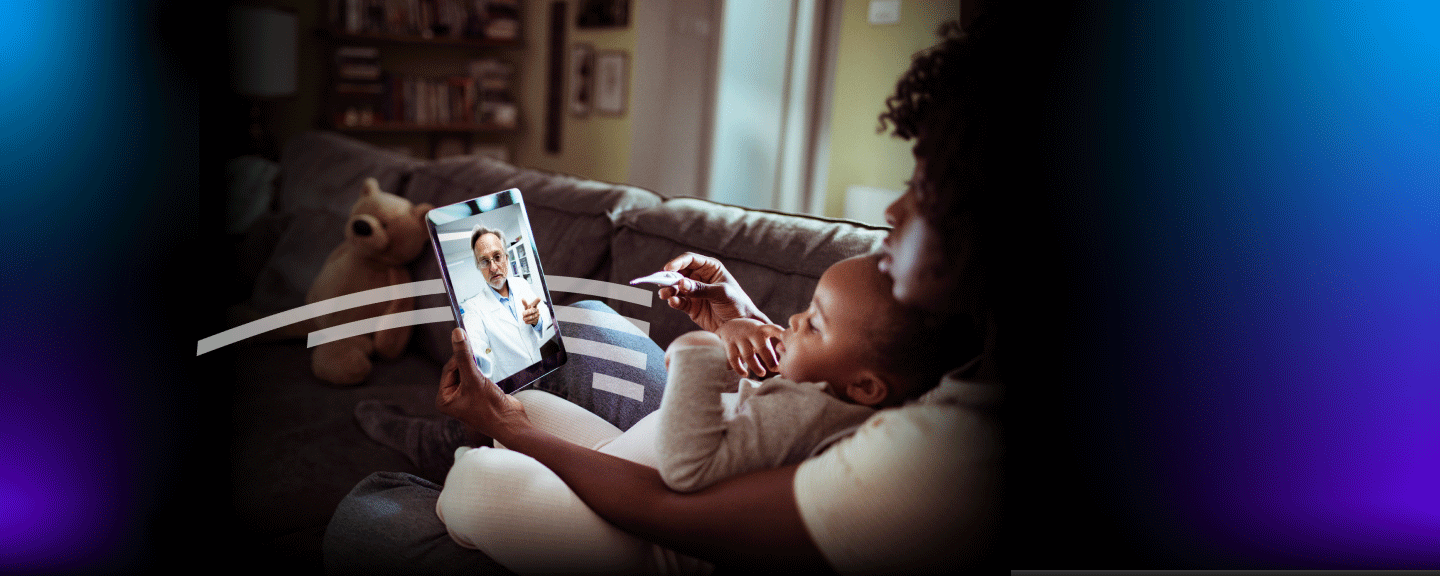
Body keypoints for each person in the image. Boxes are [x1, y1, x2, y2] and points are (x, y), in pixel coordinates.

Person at [327, 14, 1037, 574]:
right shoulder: (947, 348)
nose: (895, 213)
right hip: (675, 454)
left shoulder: (948, 465)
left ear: (987, 231)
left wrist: (520, 434)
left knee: (377, 520)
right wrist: (736, 316)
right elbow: (824, 391)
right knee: (569, 339)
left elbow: (678, 507)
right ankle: (467, 441)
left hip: (672, 518)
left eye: (928, 193)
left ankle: (464, 463)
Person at [458, 225, 551, 382]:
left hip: (541, 367)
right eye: (485, 261)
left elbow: (543, 311)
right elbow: (474, 342)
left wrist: (537, 319)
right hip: (513, 383)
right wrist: (474, 358)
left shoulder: (521, 283)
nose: (493, 267)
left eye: (497, 257)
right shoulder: (473, 307)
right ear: (479, 267)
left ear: (506, 258)